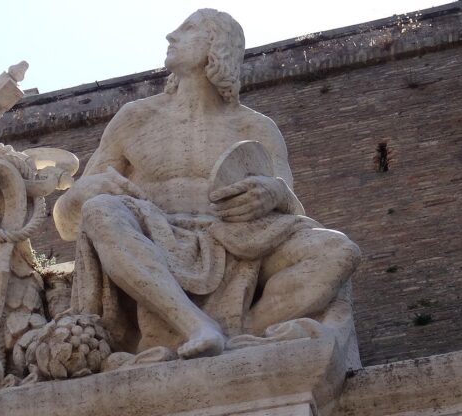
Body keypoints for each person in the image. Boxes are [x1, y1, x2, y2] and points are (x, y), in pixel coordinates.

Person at [54, 9, 360, 359]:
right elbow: (66, 222)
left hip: (238, 242)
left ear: (218, 46)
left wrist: (274, 193)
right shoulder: (135, 119)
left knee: (339, 250)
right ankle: (194, 325)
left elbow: (292, 207)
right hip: (155, 238)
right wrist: (81, 192)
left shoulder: (256, 128)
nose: (171, 36)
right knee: (100, 211)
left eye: (187, 29)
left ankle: (238, 334)